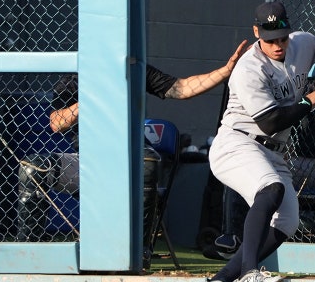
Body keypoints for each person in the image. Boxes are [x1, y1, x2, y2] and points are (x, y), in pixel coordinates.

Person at [15, 41, 247, 265]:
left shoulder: (134, 70)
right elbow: (57, 123)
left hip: (129, 161)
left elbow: (182, 88)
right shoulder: (76, 78)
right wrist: (93, 93)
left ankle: (140, 252)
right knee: (33, 168)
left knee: (148, 161)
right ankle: (30, 252)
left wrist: (225, 71)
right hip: (87, 163)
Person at [207, 1, 315, 282]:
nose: (278, 45)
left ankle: (221, 280)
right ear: (257, 32)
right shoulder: (249, 68)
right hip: (237, 144)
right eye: (270, 40)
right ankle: (249, 274)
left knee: (287, 221)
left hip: (273, 151)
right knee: (270, 190)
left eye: (282, 38)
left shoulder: (301, 43)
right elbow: (270, 122)